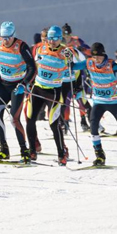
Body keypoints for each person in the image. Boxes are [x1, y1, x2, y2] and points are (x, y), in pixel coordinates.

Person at [0, 21, 36, 162]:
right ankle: (4, 150)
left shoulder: (22, 46)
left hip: (17, 86)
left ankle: (24, 151)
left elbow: (32, 67)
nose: (5, 40)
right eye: (3, 37)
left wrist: (24, 84)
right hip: (3, 85)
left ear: (14, 35)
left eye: (8, 37)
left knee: (14, 118)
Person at [26, 25, 72, 165]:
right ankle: (32, 151)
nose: (52, 41)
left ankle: (61, 154)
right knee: (30, 119)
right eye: (49, 38)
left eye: (55, 39)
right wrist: (28, 82)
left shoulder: (65, 51)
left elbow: (73, 68)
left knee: (54, 124)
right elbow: (34, 66)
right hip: (38, 88)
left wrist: (70, 64)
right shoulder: (40, 48)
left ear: (60, 38)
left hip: (54, 91)